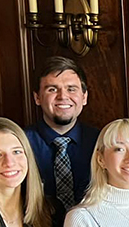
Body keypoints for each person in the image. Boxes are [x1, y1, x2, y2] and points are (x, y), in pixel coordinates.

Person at [25, 56, 99, 210]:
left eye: (71, 89)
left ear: (84, 97)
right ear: (37, 97)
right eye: (52, 89)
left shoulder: (101, 141)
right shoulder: (20, 143)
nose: (63, 96)